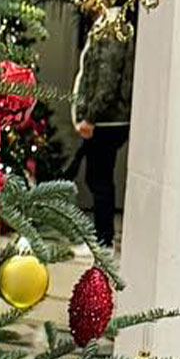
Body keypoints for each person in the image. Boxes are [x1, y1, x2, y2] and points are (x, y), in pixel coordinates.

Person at [72, 26, 135, 249]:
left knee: (99, 179)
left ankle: (102, 241)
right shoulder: (107, 28)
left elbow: (107, 81)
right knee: (98, 178)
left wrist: (90, 117)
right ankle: (102, 238)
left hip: (107, 121)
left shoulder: (112, 30)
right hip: (106, 119)